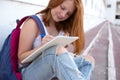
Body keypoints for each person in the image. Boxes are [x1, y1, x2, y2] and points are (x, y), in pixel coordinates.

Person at [18, 0, 95, 80]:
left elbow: (59, 59)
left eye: (68, 14)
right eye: (62, 8)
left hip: (51, 72)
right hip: (29, 73)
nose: (63, 15)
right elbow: (21, 59)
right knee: (58, 50)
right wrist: (42, 47)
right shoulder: (33, 23)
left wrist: (64, 49)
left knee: (88, 60)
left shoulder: (63, 29)